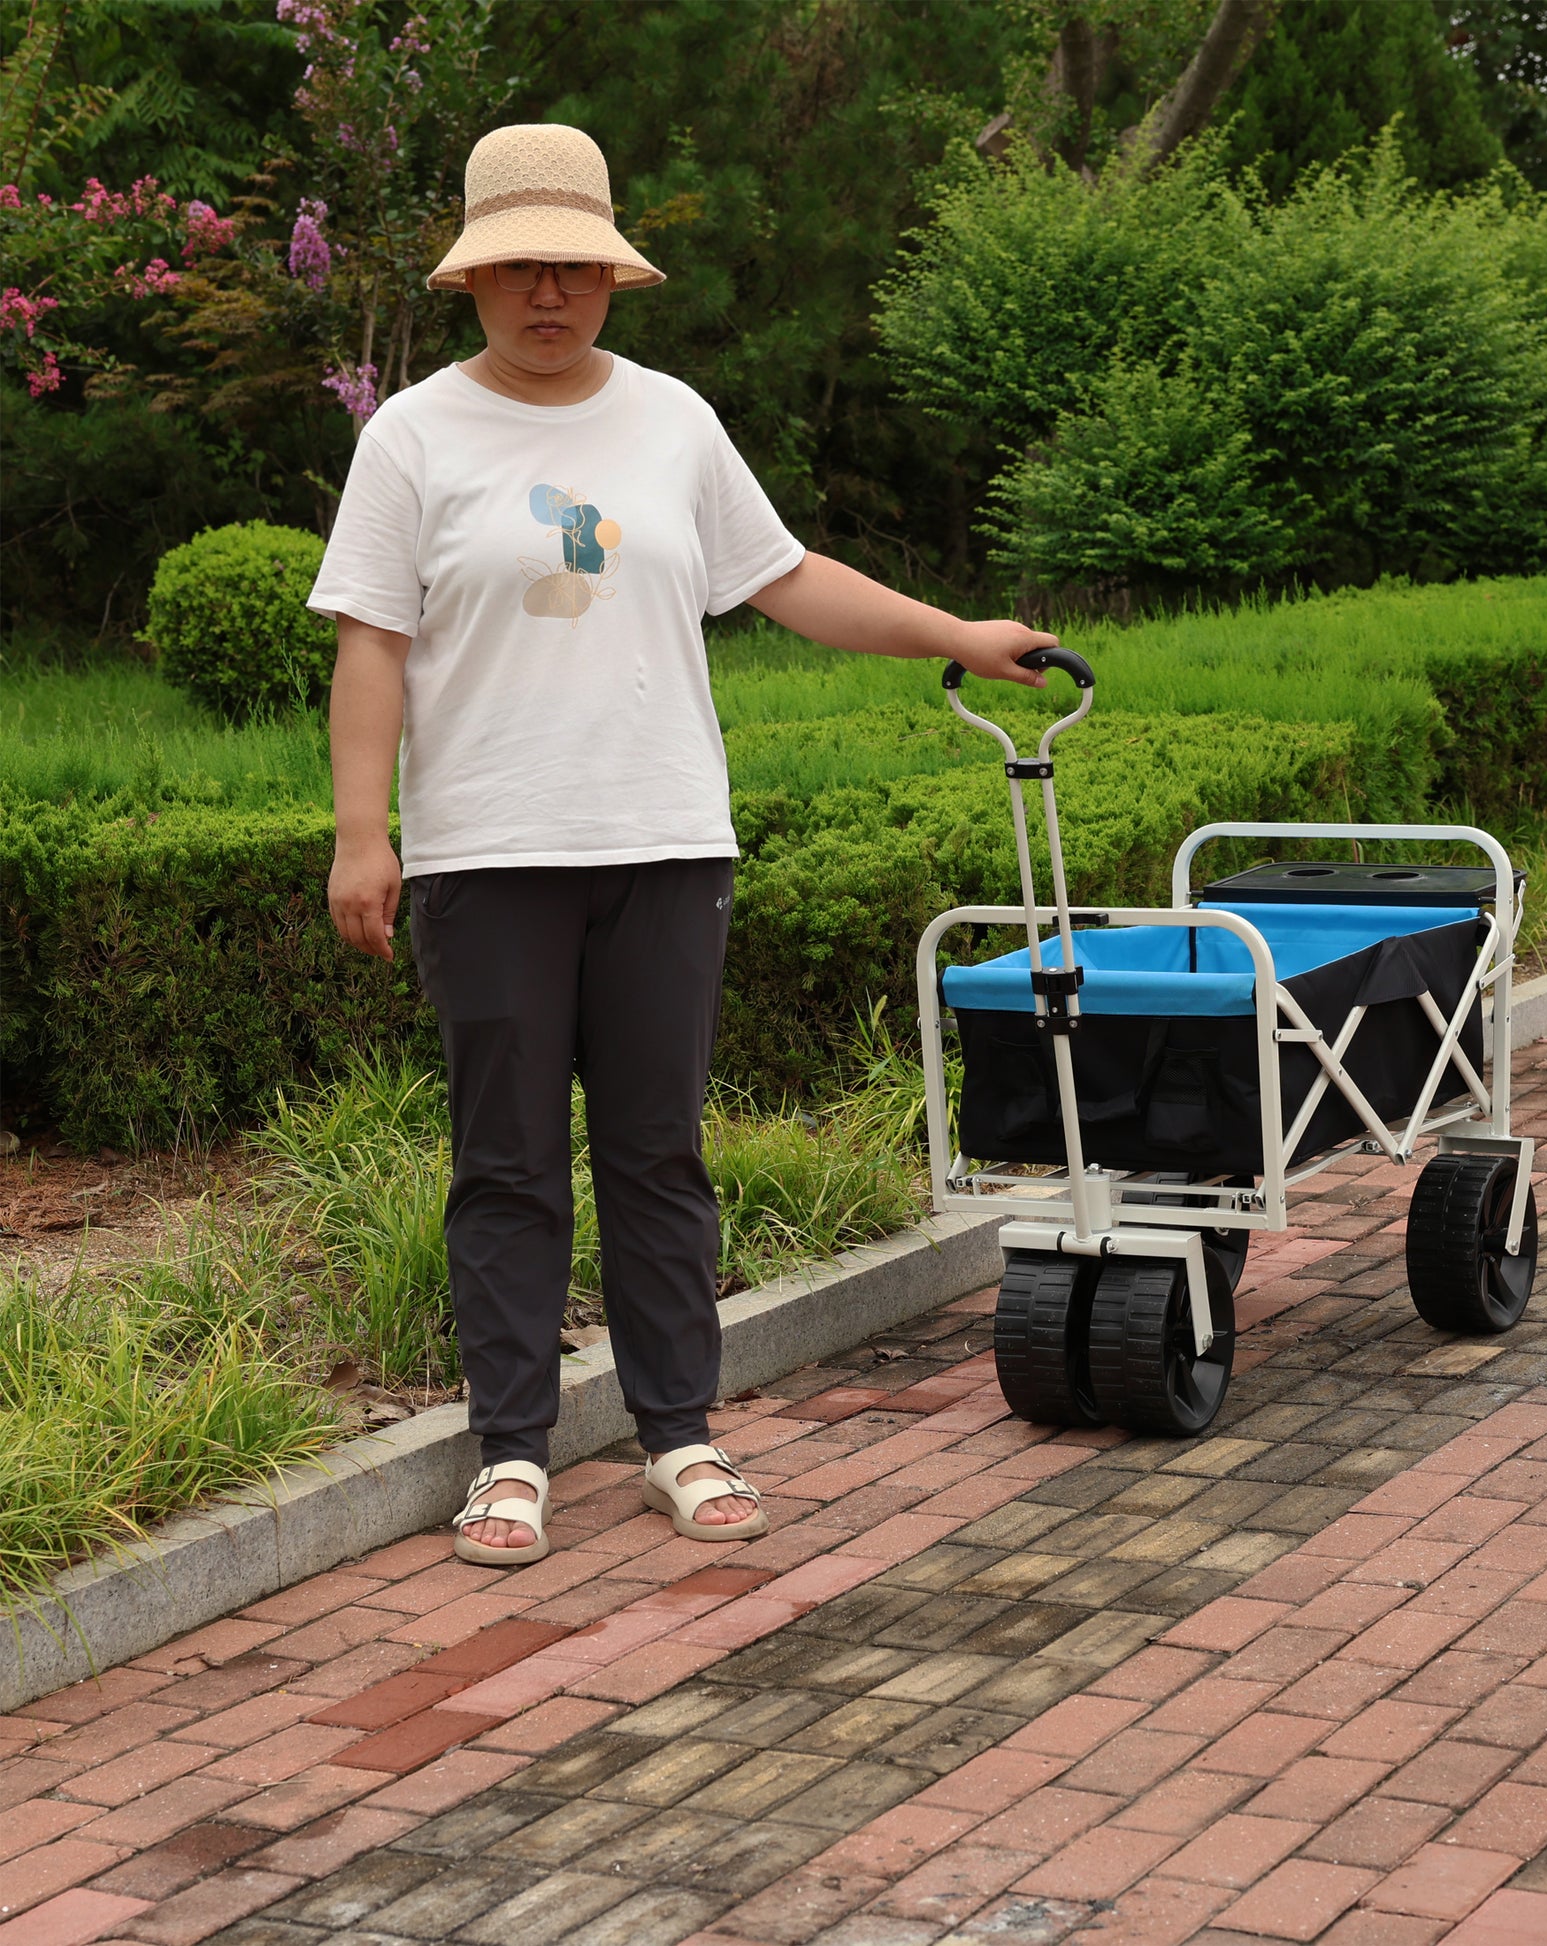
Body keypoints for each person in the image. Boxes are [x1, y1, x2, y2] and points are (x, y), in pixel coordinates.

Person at [313, 123, 1052, 1565]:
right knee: (507, 1163)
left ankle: (679, 1431)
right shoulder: (412, 434)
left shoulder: (670, 419)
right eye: (520, 268)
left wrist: (954, 634)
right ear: (474, 278)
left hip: (662, 844)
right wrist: (362, 830)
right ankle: (511, 1452)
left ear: (611, 275)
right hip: (486, 857)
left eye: (574, 267)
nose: (548, 295)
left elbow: (784, 580)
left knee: (656, 1153)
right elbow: (370, 642)